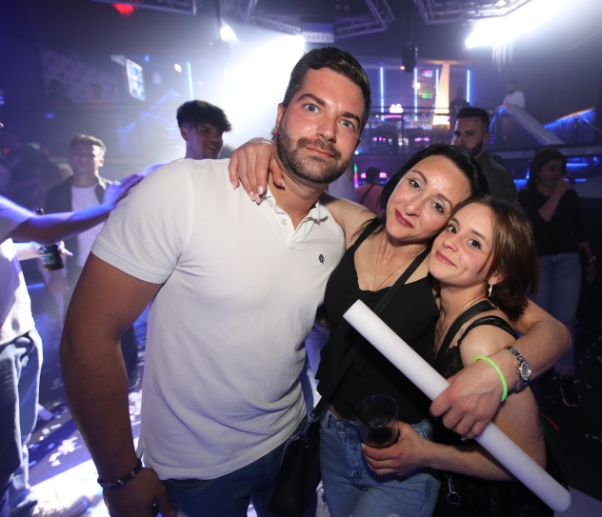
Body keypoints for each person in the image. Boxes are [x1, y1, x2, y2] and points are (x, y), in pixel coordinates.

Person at [60, 47, 370, 517]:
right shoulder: (182, 190)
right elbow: (87, 336)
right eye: (313, 107)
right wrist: (119, 476)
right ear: (280, 115)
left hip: (292, 442)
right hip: (195, 472)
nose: (328, 131)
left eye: (347, 122)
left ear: (356, 141)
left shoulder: (334, 231)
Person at [229, 142, 570, 517]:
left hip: (401, 447)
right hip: (333, 432)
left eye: (438, 206)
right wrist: (266, 150)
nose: (411, 207)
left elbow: (553, 331)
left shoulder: (446, 271)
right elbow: (304, 186)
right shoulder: (360, 226)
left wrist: (499, 371)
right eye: (415, 183)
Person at [363, 194, 556, 517]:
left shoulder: (483, 340)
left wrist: (425, 453)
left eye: (474, 243)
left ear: (496, 274)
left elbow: (531, 462)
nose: (450, 242)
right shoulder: (440, 298)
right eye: (452, 228)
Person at [0, 160, 141, 517]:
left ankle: (22, 505)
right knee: (5, 448)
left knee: (17, 435)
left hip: (17, 331)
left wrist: (31, 250)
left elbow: (14, 244)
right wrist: (109, 205)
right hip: (3, 344)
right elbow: (46, 228)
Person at [44, 135, 139, 384]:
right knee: (78, 329)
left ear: (101, 161)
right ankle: (87, 381)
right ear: (70, 157)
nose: (83, 158)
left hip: (114, 268)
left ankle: (129, 378)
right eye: (78, 153)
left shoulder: (113, 191)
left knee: (122, 323)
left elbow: (131, 231)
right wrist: (54, 273)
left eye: (90, 154)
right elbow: (46, 236)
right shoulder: (56, 194)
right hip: (75, 270)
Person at [517, 147, 595, 408]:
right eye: (551, 168)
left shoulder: (570, 196)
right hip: (538, 260)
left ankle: (565, 374)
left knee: (566, 320)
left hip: (568, 260)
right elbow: (538, 224)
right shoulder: (526, 196)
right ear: (538, 171)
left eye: (560, 169)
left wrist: (590, 260)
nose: (557, 174)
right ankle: (538, 370)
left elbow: (579, 229)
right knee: (539, 320)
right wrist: (559, 193)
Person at [141, 100, 232, 175]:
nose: (215, 138)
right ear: (184, 132)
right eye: (205, 130)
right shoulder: (157, 174)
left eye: (219, 133)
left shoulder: (231, 176)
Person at [451, 107, 517, 204]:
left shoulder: (494, 176)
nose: (460, 141)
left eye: (469, 134)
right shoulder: (456, 167)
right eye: (457, 134)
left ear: (485, 138)